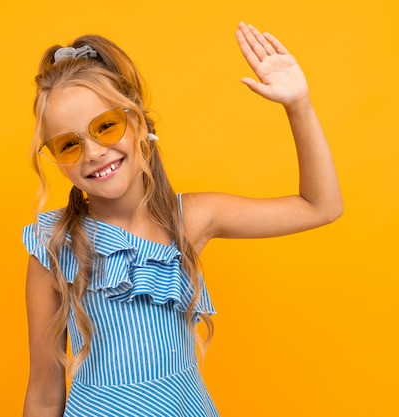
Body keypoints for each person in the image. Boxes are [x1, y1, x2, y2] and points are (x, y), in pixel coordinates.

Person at [22, 22, 343, 417]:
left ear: (138, 121)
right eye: (69, 144)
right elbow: (42, 394)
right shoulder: (54, 244)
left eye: (106, 126)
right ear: (57, 160)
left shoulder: (191, 219)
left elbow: (321, 206)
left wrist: (299, 105)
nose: (93, 152)